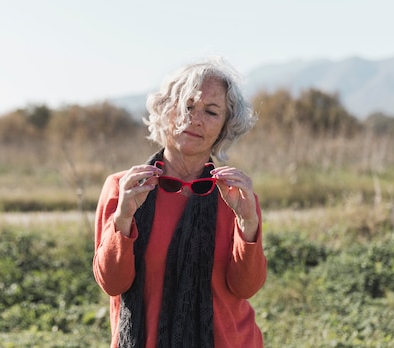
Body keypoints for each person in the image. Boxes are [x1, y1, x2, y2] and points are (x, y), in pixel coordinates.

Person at [93, 55, 267, 348]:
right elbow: (112, 283)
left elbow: (246, 287)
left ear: (225, 126)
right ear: (164, 110)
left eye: (211, 112)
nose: (195, 119)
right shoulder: (124, 188)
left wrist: (248, 223)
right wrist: (123, 219)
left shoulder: (236, 195)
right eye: (186, 105)